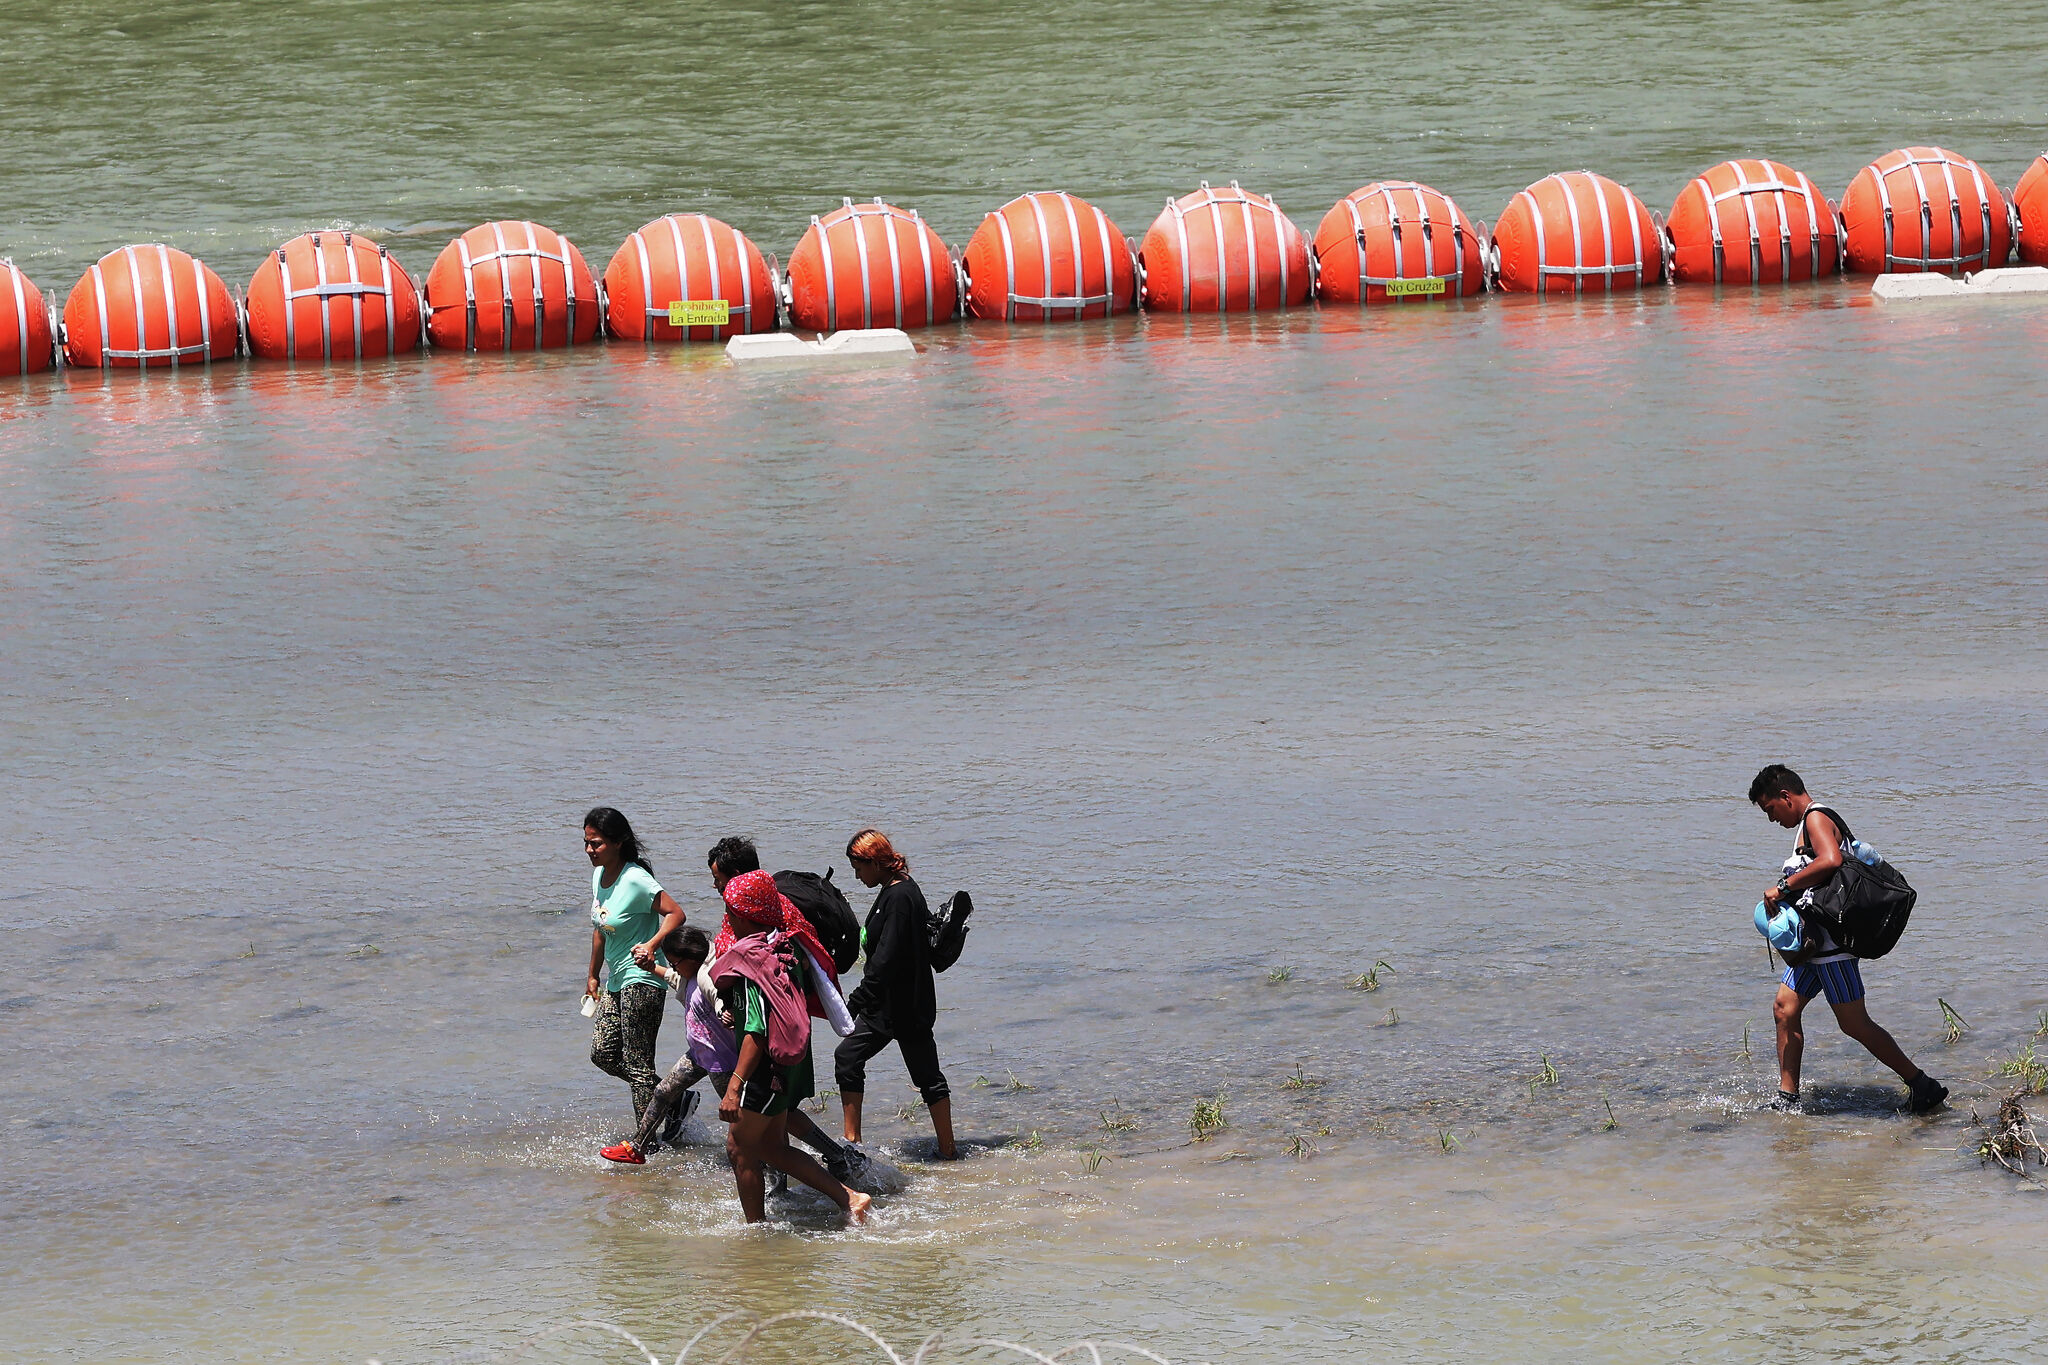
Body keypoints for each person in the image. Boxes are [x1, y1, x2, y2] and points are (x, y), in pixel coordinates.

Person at [1749, 765, 1946, 1114]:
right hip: (1815, 947)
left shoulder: (1815, 819)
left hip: (1832, 949)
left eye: (1770, 810)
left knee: (1854, 1023)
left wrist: (1782, 887)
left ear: (1785, 796)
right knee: (1784, 1008)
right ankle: (1787, 1099)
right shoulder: (1809, 823)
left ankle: (1922, 1084)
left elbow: (1830, 860)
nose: (1771, 819)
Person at [712, 869, 870, 1225]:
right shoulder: (787, 945)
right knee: (771, 1147)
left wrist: (734, 1087)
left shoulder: (752, 962)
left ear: (744, 915)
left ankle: (755, 1232)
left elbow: (754, 1031)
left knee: (739, 1148)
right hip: (789, 1065)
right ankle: (850, 1199)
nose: (729, 919)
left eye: (731, 912)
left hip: (765, 1071)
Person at [835, 828, 957, 1159]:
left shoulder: (900, 897)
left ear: (874, 863)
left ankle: (853, 1146)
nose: (857, 876)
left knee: (854, 1059)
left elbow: (885, 959)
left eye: (858, 868)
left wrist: (854, 1002)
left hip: (896, 1006)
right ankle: (856, 1143)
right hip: (903, 1002)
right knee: (856, 1060)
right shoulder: (897, 889)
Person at [583, 807, 687, 1129]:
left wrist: (652, 944)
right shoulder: (599, 875)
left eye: (596, 843)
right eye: (586, 843)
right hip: (615, 979)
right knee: (602, 1053)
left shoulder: (636, 879)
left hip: (643, 978)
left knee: (639, 1065)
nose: (589, 850)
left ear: (618, 843)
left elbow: (676, 914)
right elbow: (601, 927)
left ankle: (645, 1144)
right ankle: (673, 1098)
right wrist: (592, 974)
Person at [599, 926, 717, 1164]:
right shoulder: (688, 976)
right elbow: (675, 978)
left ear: (693, 957)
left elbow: (719, 999)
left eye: (675, 963)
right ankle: (636, 1148)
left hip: (720, 1058)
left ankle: (773, 1166)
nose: (673, 968)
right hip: (697, 1054)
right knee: (663, 1091)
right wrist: (653, 967)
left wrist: (726, 1013)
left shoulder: (705, 978)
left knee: (744, 1118)